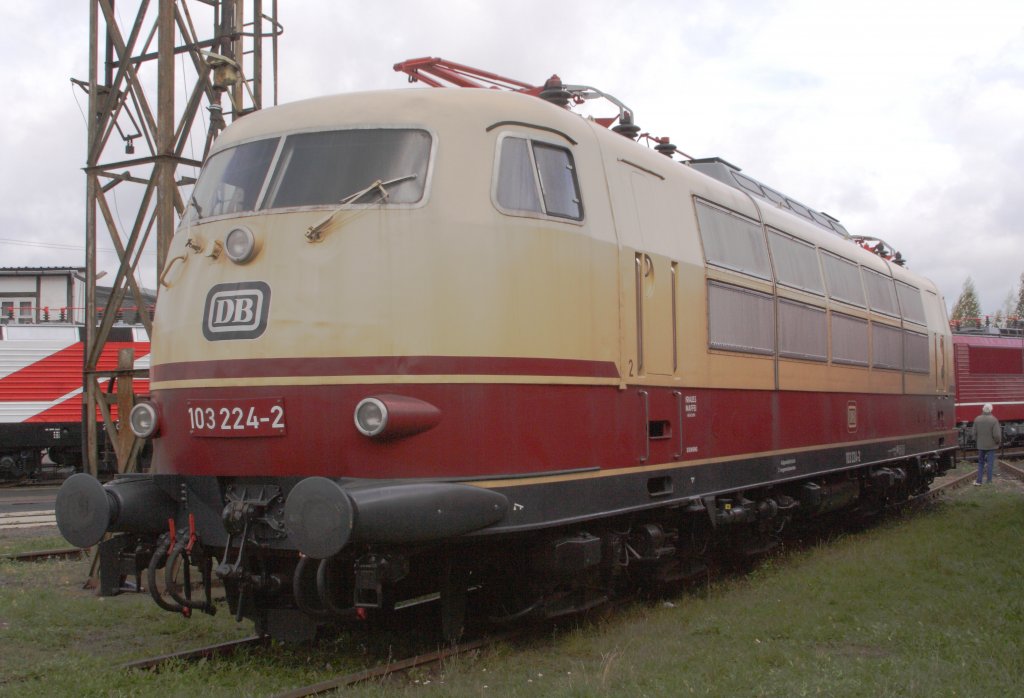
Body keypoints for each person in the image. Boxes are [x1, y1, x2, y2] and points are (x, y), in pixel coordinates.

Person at [973, 403, 1001, 485]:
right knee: (990, 464)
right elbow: (997, 435)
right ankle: (989, 481)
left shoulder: (977, 419)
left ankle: (979, 481)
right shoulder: (994, 420)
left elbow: (974, 433)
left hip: (981, 445)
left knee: (981, 463)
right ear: (991, 410)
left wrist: (977, 441)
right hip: (991, 446)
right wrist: (997, 442)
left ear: (983, 409)